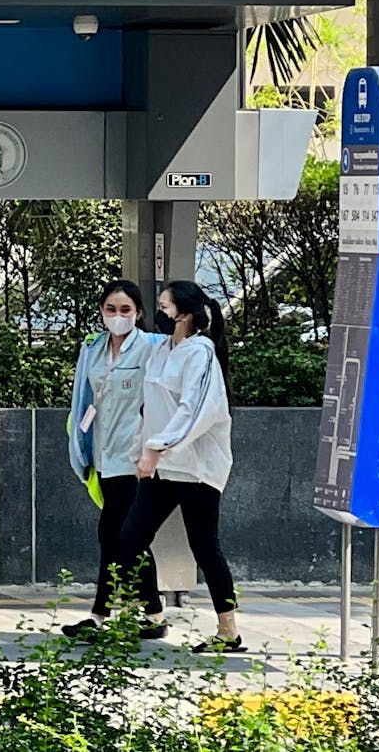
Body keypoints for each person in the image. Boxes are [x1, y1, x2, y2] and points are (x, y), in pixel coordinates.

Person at [114, 280, 243, 653]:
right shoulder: (163, 351)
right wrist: (142, 450)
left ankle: (228, 630)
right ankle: (153, 615)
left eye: (166, 306)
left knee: (205, 547)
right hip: (165, 468)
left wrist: (156, 448)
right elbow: (149, 407)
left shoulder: (200, 354)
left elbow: (195, 411)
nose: (161, 312)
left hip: (197, 469)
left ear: (185, 314)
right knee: (130, 539)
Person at [63, 280, 174, 640]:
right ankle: (153, 614)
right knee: (124, 537)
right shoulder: (93, 350)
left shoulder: (153, 349)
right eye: (111, 309)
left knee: (117, 535)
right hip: (103, 454)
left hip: (135, 458)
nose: (118, 317)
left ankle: (100, 615)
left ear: (139, 313)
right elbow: (84, 397)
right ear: (101, 312)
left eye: (125, 310)